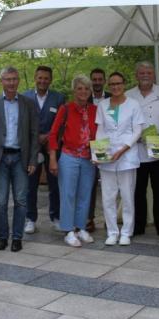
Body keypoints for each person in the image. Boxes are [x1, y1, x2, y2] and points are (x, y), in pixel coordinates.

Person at [0, 67, 39, 252]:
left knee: (21, 201)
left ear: (19, 80)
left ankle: (17, 237)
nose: (11, 83)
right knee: (0, 202)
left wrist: (32, 160)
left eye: (14, 79)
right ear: (1, 81)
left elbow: (33, 134)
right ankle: (2, 236)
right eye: (7, 79)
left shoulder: (28, 103)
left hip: (20, 159)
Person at [95, 72, 145, 246]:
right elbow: (100, 130)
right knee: (108, 196)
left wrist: (123, 149)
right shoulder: (103, 105)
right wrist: (99, 154)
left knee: (127, 195)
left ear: (124, 84)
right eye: (112, 84)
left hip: (127, 155)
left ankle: (126, 232)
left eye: (118, 83)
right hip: (107, 156)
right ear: (109, 86)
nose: (115, 87)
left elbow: (138, 130)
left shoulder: (133, 104)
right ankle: (112, 231)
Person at [48, 75, 97, 247]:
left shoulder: (94, 110)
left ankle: (81, 227)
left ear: (90, 91)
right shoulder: (66, 109)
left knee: (85, 194)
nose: (83, 92)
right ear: (74, 90)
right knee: (68, 194)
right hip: (68, 156)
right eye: (79, 88)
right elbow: (53, 134)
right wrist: (53, 158)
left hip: (88, 158)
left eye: (86, 88)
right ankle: (68, 230)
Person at [125, 61, 159, 238]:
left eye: (149, 73)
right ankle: (138, 224)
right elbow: (125, 122)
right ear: (136, 75)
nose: (145, 75)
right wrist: (134, 138)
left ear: (154, 75)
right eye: (142, 73)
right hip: (137, 150)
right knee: (137, 190)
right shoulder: (129, 95)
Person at [23, 65, 65, 234]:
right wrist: (36, 137)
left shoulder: (58, 98)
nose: (42, 81)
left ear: (50, 80)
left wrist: (49, 136)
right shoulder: (24, 97)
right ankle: (30, 219)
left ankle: (56, 217)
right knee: (30, 184)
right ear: (35, 77)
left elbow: (62, 123)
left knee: (55, 184)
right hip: (31, 148)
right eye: (40, 77)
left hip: (52, 147)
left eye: (46, 78)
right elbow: (21, 122)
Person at [85, 68, 111, 232]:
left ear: (104, 81)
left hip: (108, 145)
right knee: (90, 185)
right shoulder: (84, 97)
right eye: (94, 79)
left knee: (110, 186)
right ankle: (89, 219)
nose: (97, 82)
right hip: (89, 146)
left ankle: (110, 220)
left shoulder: (112, 98)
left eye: (100, 79)